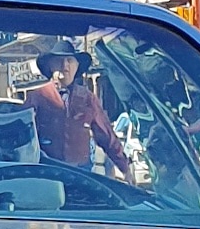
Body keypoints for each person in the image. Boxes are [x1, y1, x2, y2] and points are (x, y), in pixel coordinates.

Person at [24, 43, 131, 176]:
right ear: (50, 66)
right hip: (46, 172)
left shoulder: (88, 99)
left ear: (77, 66)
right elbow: (22, 137)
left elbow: (106, 136)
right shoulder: (36, 97)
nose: (65, 66)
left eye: (69, 61)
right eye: (59, 61)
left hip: (80, 173)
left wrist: (124, 167)